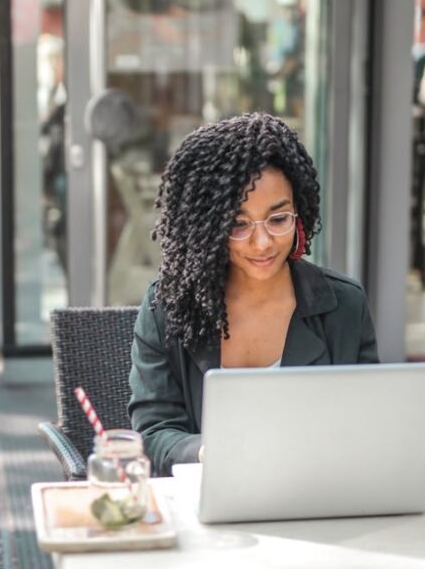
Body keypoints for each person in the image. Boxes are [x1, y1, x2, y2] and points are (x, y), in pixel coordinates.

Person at [128, 112, 380, 476]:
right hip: (207, 504)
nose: (262, 243)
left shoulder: (344, 306)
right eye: (238, 224)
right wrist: (205, 451)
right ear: (208, 228)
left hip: (318, 498)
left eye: (278, 220)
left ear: (300, 214)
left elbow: (368, 427)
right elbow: (152, 435)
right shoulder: (167, 307)